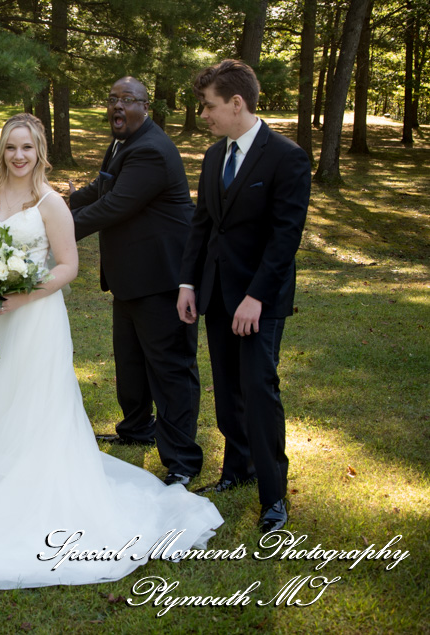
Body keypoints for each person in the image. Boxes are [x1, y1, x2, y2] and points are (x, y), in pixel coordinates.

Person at [0, 113, 222, 590]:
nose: (18, 156)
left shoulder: (51, 202)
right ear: (2, 150)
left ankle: (32, 486)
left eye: (27, 149)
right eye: (11, 148)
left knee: (32, 402)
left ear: (39, 153)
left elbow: (68, 266)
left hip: (34, 318)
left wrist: (23, 293)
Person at [178, 60, 311, 533]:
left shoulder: (287, 157)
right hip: (216, 293)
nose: (204, 115)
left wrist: (256, 296)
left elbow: (284, 236)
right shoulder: (215, 156)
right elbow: (203, 225)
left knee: (258, 390)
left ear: (237, 103)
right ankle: (237, 468)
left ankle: (274, 495)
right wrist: (189, 284)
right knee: (229, 389)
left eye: (209, 106)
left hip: (260, 299)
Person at [69, 76, 203, 487]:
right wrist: (50, 207)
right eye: (112, 99)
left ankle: (182, 459)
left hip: (163, 279)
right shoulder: (122, 143)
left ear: (146, 106)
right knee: (131, 363)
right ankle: (136, 428)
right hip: (132, 277)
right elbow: (98, 189)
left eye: (127, 100)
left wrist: (53, 233)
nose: (117, 107)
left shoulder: (151, 150)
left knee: (170, 368)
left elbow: (114, 206)